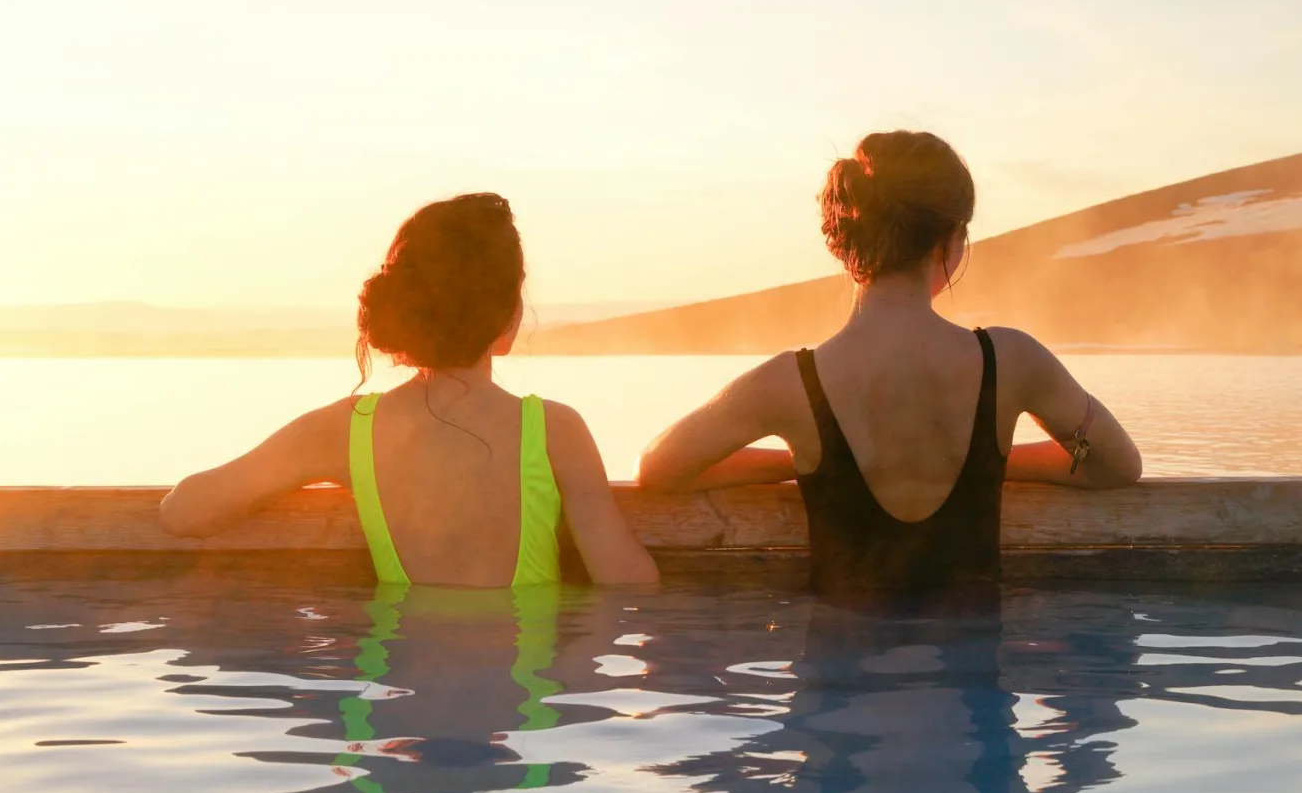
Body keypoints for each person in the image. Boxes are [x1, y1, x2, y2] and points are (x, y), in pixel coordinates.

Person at [637, 131, 1141, 593]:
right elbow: (1118, 466)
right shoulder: (1010, 360)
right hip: (969, 683)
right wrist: (990, 462)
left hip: (838, 677)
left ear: (843, 243)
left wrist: (801, 466)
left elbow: (659, 469)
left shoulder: (791, 384)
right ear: (951, 240)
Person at [161, 192, 659, 587]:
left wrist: (280, 482)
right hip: (521, 701)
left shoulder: (343, 429)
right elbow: (627, 586)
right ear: (509, 316)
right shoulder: (556, 429)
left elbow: (183, 513)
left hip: (384, 707)